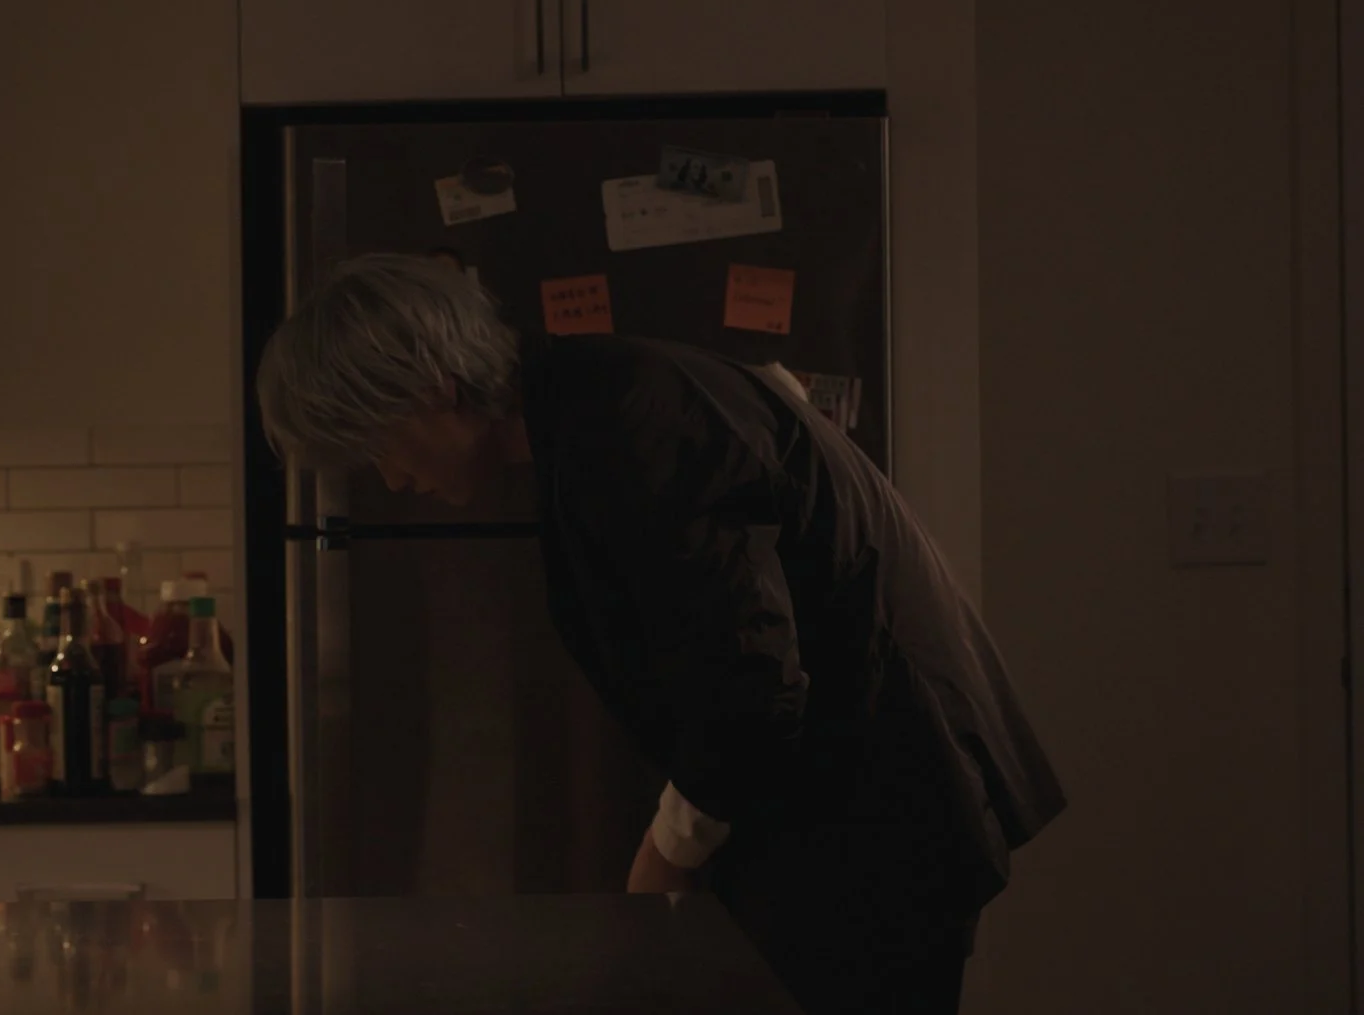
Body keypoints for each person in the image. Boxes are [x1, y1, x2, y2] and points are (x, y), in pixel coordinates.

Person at [255, 254, 1063, 1014]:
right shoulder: (588, 408)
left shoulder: (623, 420)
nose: (391, 478)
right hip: (847, 808)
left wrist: (668, 852)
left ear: (432, 386)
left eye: (379, 443)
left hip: (879, 813)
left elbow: (749, 682)